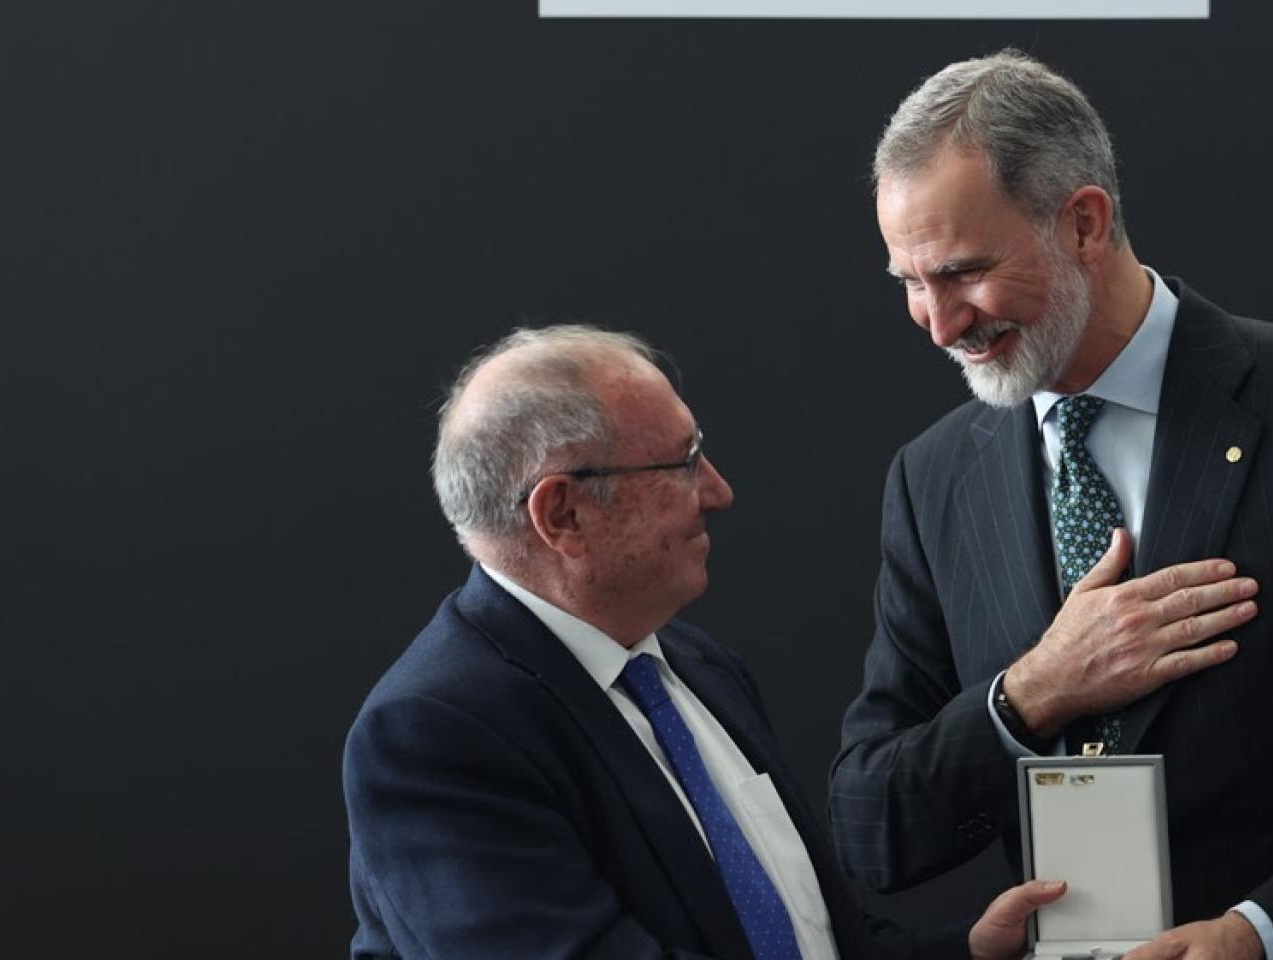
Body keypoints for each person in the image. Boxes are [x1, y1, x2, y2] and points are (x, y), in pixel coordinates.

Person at [828, 51, 1273, 960]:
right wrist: (1032, 693)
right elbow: (874, 828)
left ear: (1084, 223)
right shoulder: (932, 478)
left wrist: (1260, 936)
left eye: (962, 273)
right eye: (910, 284)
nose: (940, 323)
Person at [343, 325, 1063, 959]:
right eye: (682, 462)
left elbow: (806, 938)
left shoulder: (695, 668)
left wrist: (967, 952)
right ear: (561, 513)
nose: (718, 491)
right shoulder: (434, 734)